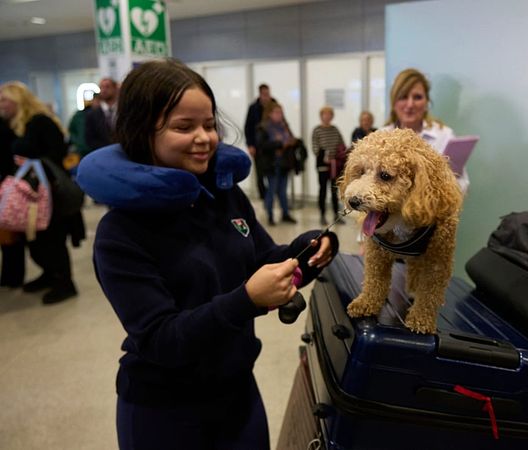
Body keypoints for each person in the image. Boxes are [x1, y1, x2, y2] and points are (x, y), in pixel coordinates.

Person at [75, 59, 338, 449]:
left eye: (210, 124)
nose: (204, 138)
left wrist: (309, 249)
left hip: (237, 394)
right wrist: (246, 300)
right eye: (184, 127)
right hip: (165, 413)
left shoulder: (224, 195)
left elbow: (265, 259)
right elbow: (161, 338)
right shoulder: (120, 233)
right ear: (141, 131)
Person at [0, 81, 80, 304]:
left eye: (5, 99)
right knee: (35, 239)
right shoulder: (16, 125)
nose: (1, 104)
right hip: (28, 192)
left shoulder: (40, 122)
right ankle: (49, 275)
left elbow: (57, 152)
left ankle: (65, 282)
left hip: (46, 192)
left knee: (52, 238)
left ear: (18, 100)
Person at [382, 68, 469, 193]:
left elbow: (462, 184)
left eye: (417, 97)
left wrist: (438, 192)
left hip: (435, 211)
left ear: (427, 101)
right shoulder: (381, 137)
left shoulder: (444, 135)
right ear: (394, 101)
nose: (410, 104)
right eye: (403, 97)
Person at [255, 101, 297, 226]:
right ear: (269, 114)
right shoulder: (263, 127)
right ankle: (270, 216)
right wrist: (279, 144)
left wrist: (292, 142)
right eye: (277, 112)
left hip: (284, 162)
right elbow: (262, 146)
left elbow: (291, 138)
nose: (279, 115)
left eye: (281, 112)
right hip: (271, 163)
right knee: (271, 190)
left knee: (283, 191)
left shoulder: (284, 126)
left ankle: (285, 214)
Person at [0, 116, 25, 288]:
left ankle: (12, 276)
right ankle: (10, 276)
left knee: (8, 234)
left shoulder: (4, 127)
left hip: (6, 186)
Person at [311, 106, 345, 225]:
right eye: (325, 114)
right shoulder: (317, 130)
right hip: (322, 166)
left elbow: (341, 145)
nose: (327, 116)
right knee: (323, 191)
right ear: (321, 116)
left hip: (335, 166)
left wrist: (337, 157)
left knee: (334, 191)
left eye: (329, 114)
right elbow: (315, 148)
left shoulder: (335, 129)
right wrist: (325, 157)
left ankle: (336, 215)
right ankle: (322, 215)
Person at [245, 84, 278, 200]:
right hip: (258, 146)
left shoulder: (275, 105)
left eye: (268, 94)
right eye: (264, 94)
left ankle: (273, 196)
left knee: (273, 173)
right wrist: (250, 145)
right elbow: (248, 127)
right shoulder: (253, 108)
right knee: (260, 174)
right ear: (260, 94)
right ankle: (264, 197)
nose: (266, 97)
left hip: (273, 146)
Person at [84, 77, 118, 152]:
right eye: (101, 87)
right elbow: (90, 139)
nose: (104, 90)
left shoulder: (123, 111)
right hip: (101, 153)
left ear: (115, 89)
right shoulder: (92, 114)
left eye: (107, 87)